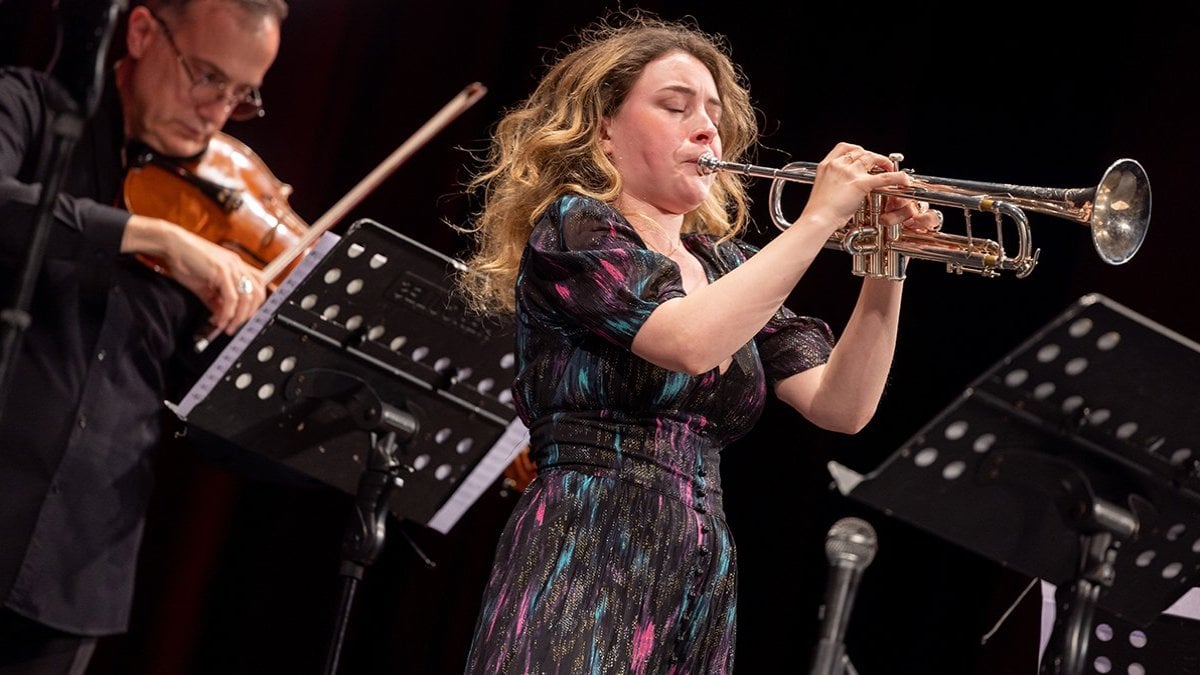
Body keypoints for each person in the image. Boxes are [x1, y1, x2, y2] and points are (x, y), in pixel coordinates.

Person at [455, 12, 941, 674]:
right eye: (675, 106)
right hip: (587, 549)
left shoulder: (728, 266)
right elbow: (686, 339)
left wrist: (888, 263)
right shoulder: (577, 229)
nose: (707, 127)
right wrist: (821, 216)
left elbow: (841, 405)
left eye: (713, 111)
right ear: (603, 128)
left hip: (697, 567)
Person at [0, 0, 286, 671]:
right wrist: (153, 235)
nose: (217, 110)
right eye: (207, 76)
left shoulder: (218, 218)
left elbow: (219, 418)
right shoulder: (30, 108)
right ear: (141, 31)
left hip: (70, 578)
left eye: (242, 95)